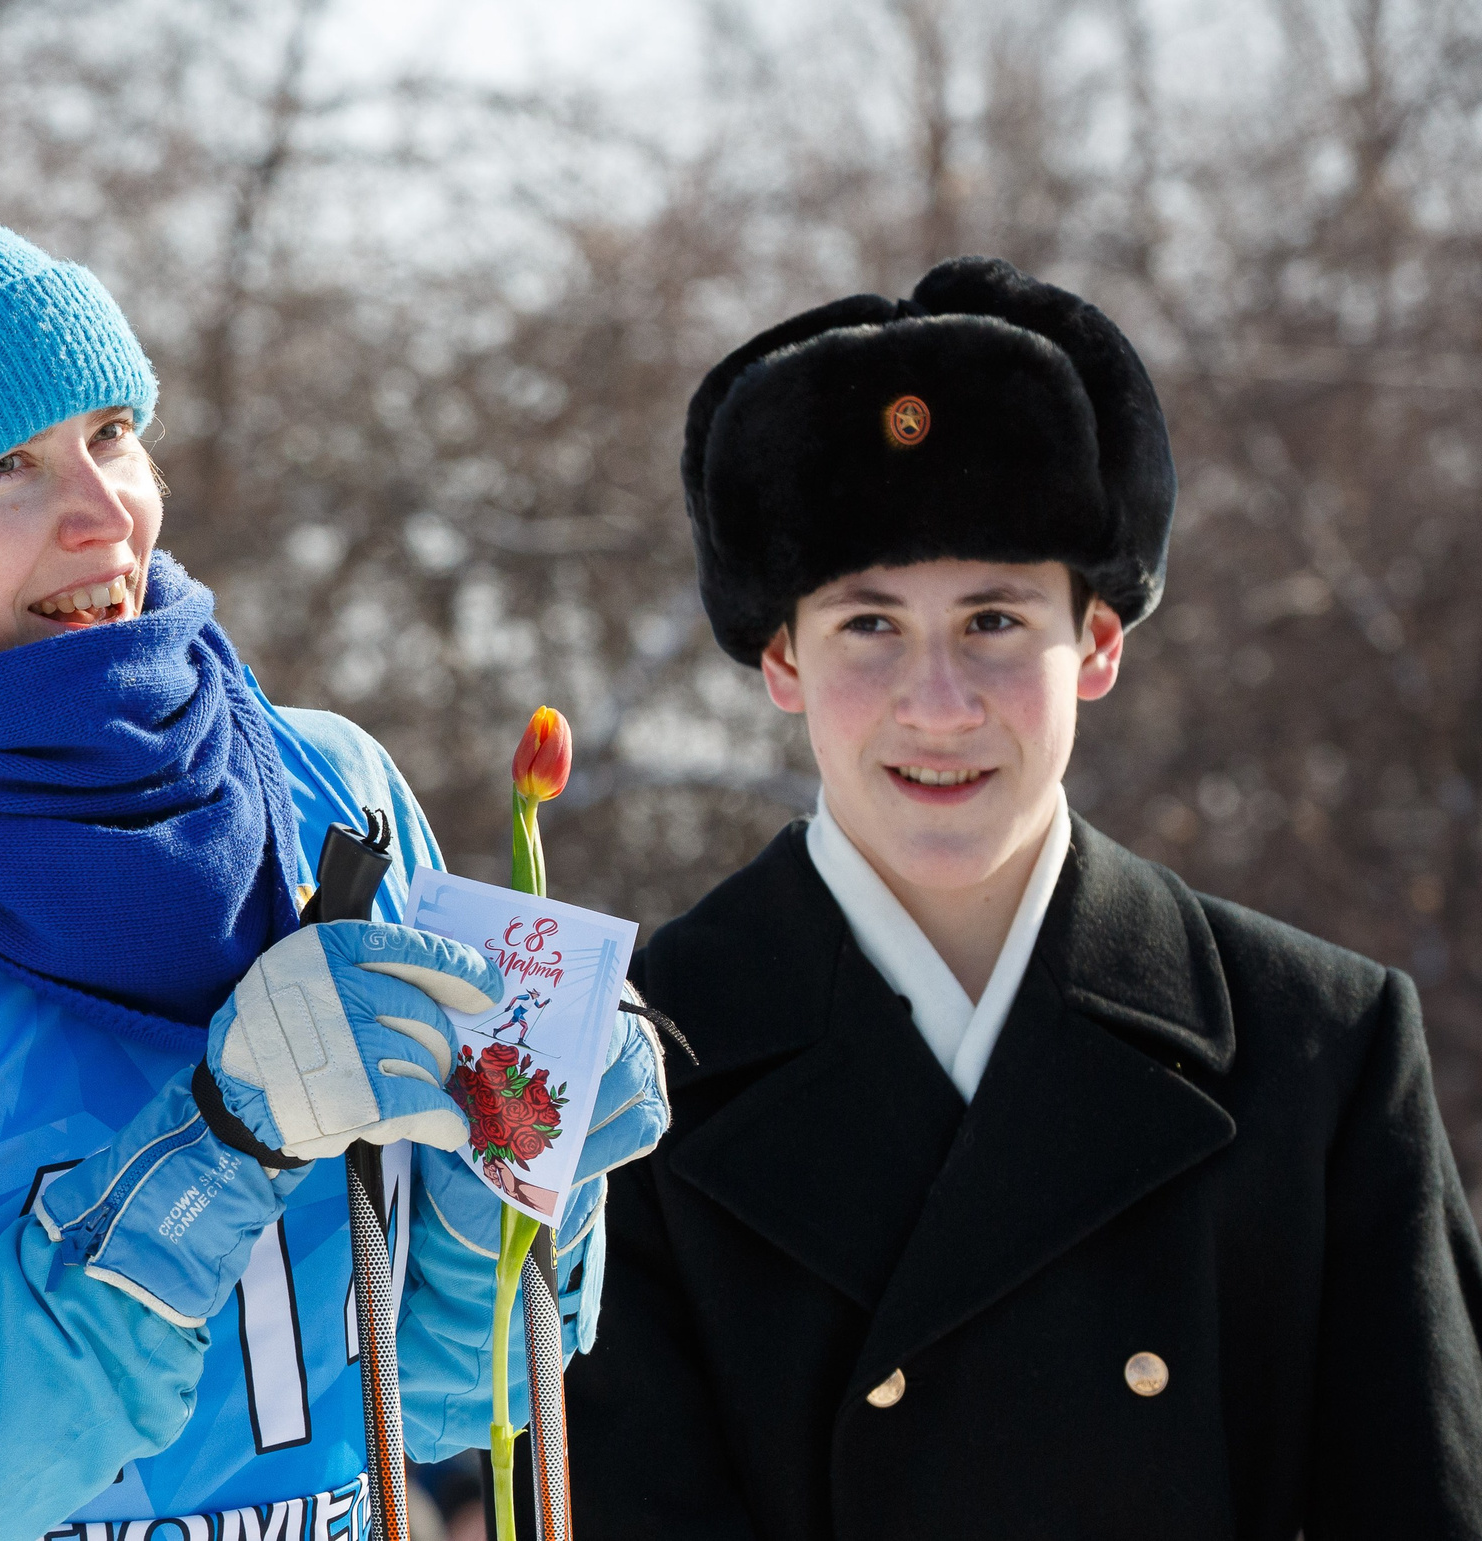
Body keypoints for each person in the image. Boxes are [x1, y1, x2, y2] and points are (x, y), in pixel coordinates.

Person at [0, 119, 670, 1540]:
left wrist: (521, 1186)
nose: (103, 515)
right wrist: (197, 1168)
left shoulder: (328, 797)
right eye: (4, 469)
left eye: (110, 434)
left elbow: (440, 1403)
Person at [568, 256, 1482, 1538]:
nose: (936, 701)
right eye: (867, 626)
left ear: (1096, 641)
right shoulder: (622, 1064)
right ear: (781, 657)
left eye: (994, 619)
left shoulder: (1318, 1052)